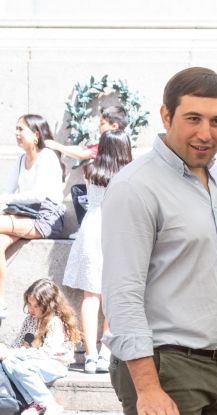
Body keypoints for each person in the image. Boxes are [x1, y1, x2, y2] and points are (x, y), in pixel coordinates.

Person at [102, 67, 217, 415]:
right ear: (166, 116)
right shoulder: (136, 186)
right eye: (194, 119)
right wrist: (148, 388)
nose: (206, 133)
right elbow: (123, 295)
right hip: (166, 366)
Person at [63, 130, 132, 373]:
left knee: (90, 297)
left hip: (91, 229)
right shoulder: (130, 174)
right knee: (114, 296)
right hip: (118, 231)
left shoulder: (90, 170)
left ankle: (90, 356)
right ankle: (106, 352)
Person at [0, 114, 65, 318]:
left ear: (36, 135)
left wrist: (7, 200)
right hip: (24, 215)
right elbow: (8, 190)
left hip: (47, 218)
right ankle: (1, 302)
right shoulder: (20, 159)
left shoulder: (47, 156)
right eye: (16, 129)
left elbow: (40, 194)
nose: (16, 133)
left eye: (21, 129)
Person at [0, 279, 80, 415]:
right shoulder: (29, 320)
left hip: (55, 364)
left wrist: (12, 352)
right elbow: (17, 345)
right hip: (31, 361)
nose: (31, 309)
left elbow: (45, 354)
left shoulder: (55, 322)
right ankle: (34, 403)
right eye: (29, 304)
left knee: (22, 368)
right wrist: (5, 350)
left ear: (49, 305)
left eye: (36, 306)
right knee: (7, 362)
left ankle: (50, 404)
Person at [46, 106, 128, 231]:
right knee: (78, 191)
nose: (98, 127)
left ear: (114, 126)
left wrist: (57, 146)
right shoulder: (113, 145)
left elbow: (82, 153)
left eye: (102, 123)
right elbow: (83, 151)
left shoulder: (106, 146)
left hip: (105, 216)